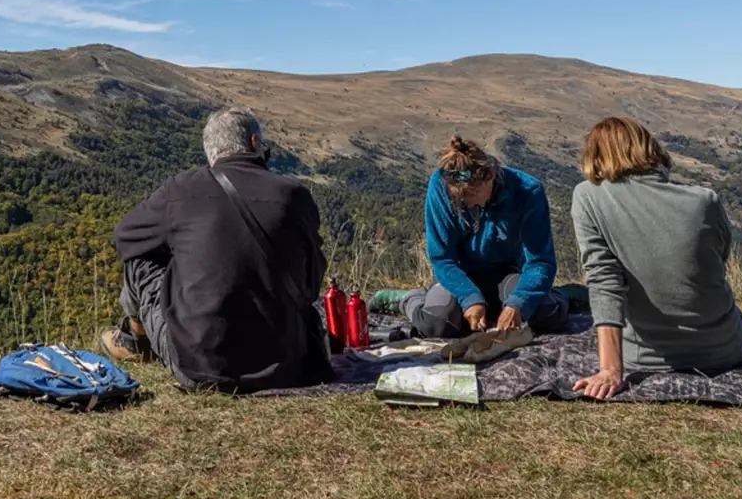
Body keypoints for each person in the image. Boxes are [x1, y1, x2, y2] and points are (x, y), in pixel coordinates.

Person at [102, 108, 333, 392]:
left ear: (210, 152)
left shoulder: (183, 189)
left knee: (140, 258)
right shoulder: (294, 195)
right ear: (254, 143)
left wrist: (181, 257)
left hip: (200, 367)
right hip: (290, 364)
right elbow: (310, 286)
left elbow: (126, 236)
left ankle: (134, 341)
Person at [569, 116, 742, 399]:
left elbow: (604, 281)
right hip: (724, 349)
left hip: (645, 360)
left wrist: (610, 371)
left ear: (596, 157)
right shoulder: (705, 199)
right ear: (649, 148)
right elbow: (719, 258)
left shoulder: (588, 196)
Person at [383, 136, 568, 339]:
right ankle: (410, 299)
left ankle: (559, 296)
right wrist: (469, 298)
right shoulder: (440, 185)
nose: (468, 204)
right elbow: (442, 258)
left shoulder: (527, 191)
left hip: (508, 273)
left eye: (473, 194)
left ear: (490, 175)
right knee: (438, 323)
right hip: (458, 275)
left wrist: (518, 303)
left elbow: (540, 261)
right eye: (460, 199)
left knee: (546, 317)